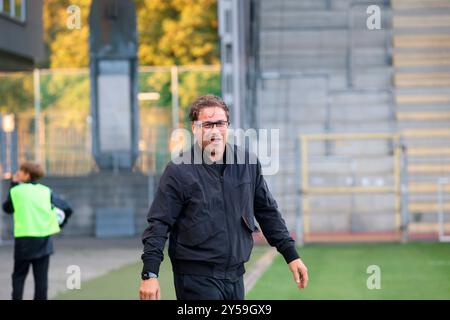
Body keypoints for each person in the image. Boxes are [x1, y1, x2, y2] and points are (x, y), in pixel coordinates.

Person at [139, 94, 308, 300]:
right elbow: (159, 223)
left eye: (220, 123)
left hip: (235, 275)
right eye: (207, 124)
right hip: (196, 277)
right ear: (195, 128)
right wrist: (150, 273)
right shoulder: (178, 170)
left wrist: (291, 255)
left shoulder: (247, 163)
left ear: (227, 126)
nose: (215, 130)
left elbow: (267, 212)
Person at [2, 162, 72, 300]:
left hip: (24, 241)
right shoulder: (45, 191)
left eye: (20, 171)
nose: (18, 173)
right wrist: (59, 225)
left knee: (19, 277)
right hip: (43, 240)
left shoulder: (16, 191)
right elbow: (67, 208)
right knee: (41, 281)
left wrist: (13, 183)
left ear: (27, 175)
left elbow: (7, 208)